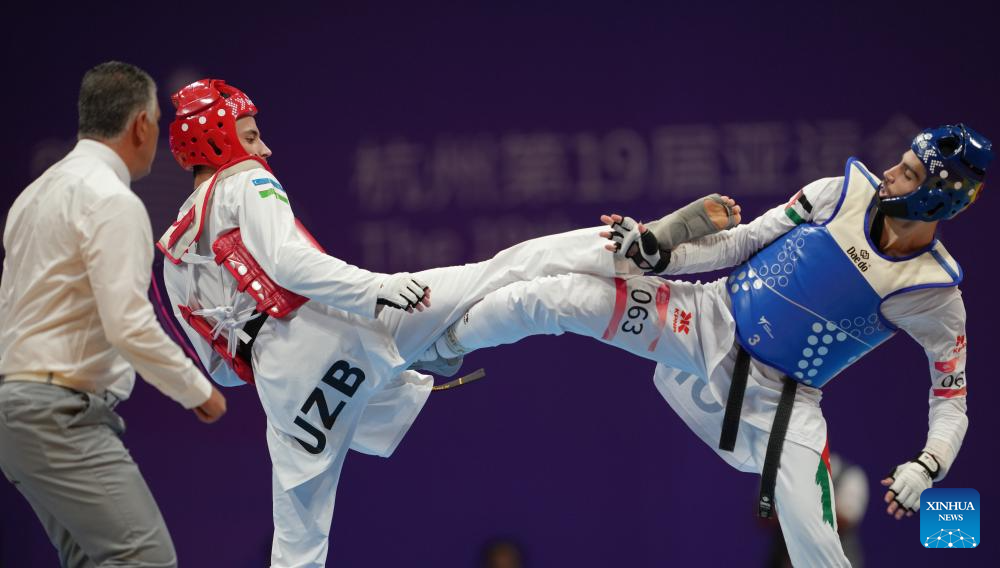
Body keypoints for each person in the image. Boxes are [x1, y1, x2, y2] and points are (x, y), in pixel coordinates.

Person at [157, 78, 739, 567]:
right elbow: (291, 265)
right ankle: (632, 247)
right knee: (507, 273)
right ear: (218, 138)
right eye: (250, 135)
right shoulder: (244, 181)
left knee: (298, 543)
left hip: (287, 394)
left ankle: (437, 343)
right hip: (335, 328)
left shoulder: (172, 255)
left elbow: (221, 370)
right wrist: (377, 290)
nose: (264, 148)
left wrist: (283, 370)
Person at [422, 124, 991, 566]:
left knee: (820, 553)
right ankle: (444, 344)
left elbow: (952, 399)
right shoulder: (837, 193)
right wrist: (660, 254)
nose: (890, 172)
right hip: (705, 318)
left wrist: (928, 465)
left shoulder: (934, 294)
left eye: (910, 173)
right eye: (901, 161)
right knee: (555, 297)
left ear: (938, 197)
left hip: (783, 405)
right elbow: (741, 242)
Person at [0, 62, 227, 568]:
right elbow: (127, 323)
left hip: (15, 411)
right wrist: (196, 389)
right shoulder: (112, 200)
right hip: (59, 414)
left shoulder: (32, 197)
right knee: (145, 559)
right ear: (141, 125)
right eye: (158, 122)